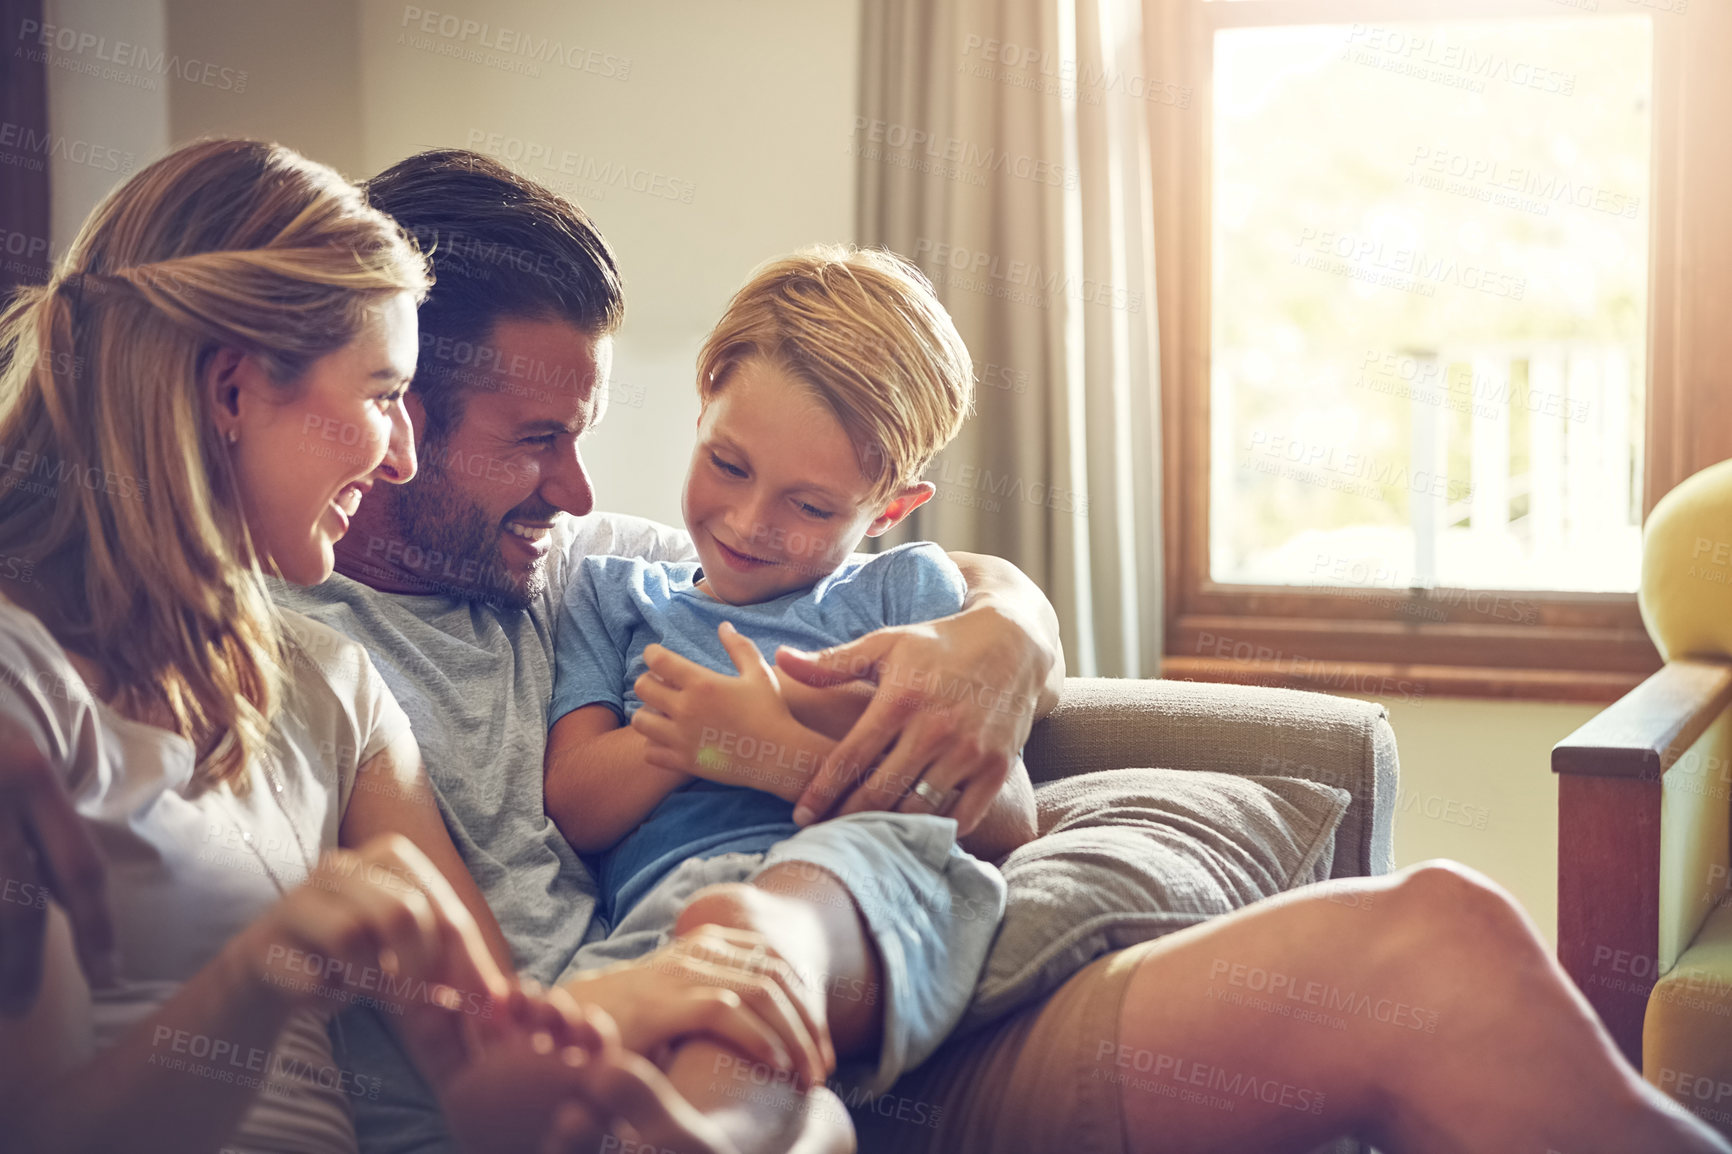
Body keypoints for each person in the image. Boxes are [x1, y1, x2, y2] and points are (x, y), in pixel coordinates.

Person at [281, 148, 1732, 1154]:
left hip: (853, 986)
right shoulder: (272, 656)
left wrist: (1005, 633)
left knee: (1446, 933)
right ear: (390, 412)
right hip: (680, 1041)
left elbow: (876, 580)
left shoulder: (577, 561)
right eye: (537, 440)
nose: (587, 492)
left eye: (587, 438)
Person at [0, 138, 747, 1154]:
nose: (398, 453)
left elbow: (493, 1075)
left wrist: (692, 1025)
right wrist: (260, 973)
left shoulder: (326, 682)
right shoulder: (23, 693)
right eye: (383, 392)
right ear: (232, 394)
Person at [544, 246, 1038, 1149]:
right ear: (703, 411)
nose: (749, 523)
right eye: (727, 465)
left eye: (812, 508)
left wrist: (764, 742)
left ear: (888, 510)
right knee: (635, 1045)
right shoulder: (611, 594)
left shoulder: (905, 597)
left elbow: (1003, 818)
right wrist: (684, 741)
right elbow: (576, 803)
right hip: (661, 913)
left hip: (854, 889)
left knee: (752, 936)